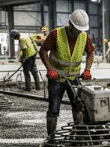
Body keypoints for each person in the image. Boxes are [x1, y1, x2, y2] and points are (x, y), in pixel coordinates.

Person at [38, 9, 94, 137]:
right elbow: (43, 51)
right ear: (70, 23)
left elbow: (90, 53)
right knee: (53, 109)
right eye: (76, 29)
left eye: (81, 29)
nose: (79, 32)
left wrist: (87, 69)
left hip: (74, 78)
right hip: (56, 78)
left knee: (79, 107)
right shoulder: (56, 34)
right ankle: (51, 138)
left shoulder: (84, 36)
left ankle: (78, 137)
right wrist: (50, 70)